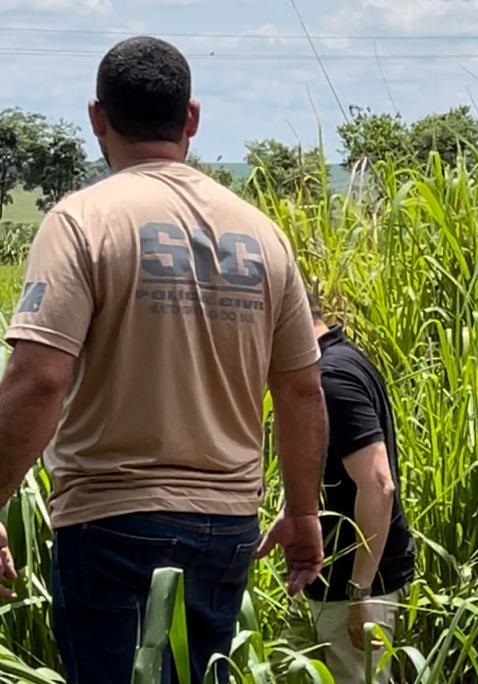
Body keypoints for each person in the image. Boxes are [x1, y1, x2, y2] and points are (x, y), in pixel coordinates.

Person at [0, 37, 328, 683]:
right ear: (192, 118)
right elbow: (300, 390)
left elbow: (39, 379)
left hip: (111, 523)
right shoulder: (260, 233)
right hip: (226, 529)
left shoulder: (81, 222)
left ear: (98, 118)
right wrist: (304, 512)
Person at [303, 286, 416, 683]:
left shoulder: (331, 378)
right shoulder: (343, 358)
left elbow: (379, 485)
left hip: (357, 585)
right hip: (348, 580)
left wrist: (359, 592)